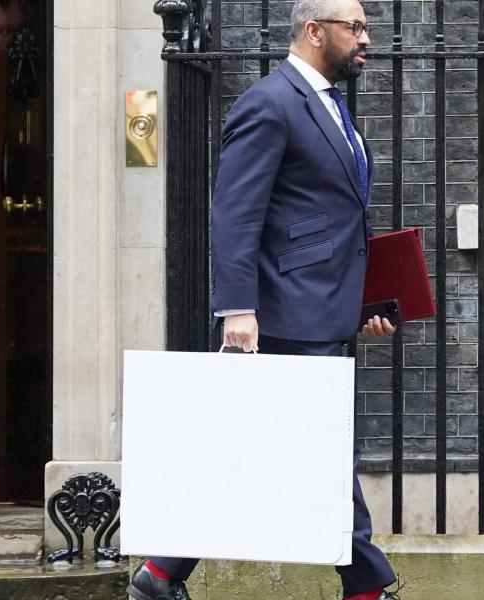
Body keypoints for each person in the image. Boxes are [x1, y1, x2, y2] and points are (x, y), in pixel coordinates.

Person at [126, 1, 404, 599]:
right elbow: (234, 214)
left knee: (251, 452)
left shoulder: (331, 106)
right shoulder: (270, 103)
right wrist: (236, 311)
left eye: (365, 28)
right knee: (327, 457)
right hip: (282, 313)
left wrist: (364, 303)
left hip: (322, 309)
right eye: (355, 28)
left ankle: (160, 572)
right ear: (314, 30)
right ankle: (368, 588)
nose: (367, 39)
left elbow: (326, 222)